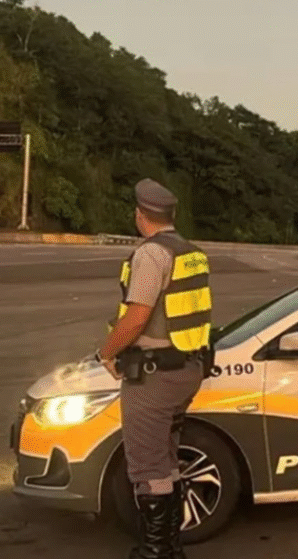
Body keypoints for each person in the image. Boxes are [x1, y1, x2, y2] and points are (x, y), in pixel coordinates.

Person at [95, 178, 213, 559]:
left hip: (154, 374)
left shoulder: (151, 255)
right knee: (165, 459)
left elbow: (136, 317)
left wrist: (106, 353)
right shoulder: (190, 252)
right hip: (186, 368)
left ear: (140, 215)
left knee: (147, 465)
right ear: (172, 215)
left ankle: (156, 551)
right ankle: (169, 547)